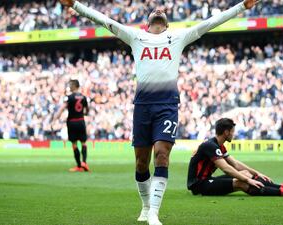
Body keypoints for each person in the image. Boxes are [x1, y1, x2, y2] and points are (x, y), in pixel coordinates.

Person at [58, 0, 260, 224]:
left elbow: (211, 22)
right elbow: (104, 20)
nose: (158, 11)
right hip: (143, 106)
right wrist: (75, 4)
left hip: (167, 106)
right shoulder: (135, 37)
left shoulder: (178, 37)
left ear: (166, 25)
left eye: (162, 11)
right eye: (155, 11)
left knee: (162, 156)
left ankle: (154, 212)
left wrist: (242, 6)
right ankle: (145, 206)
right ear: (147, 24)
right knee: (141, 163)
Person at [187, 118, 283, 197]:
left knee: (245, 173)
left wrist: (256, 174)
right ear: (226, 132)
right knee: (240, 182)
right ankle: (282, 192)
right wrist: (247, 180)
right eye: (232, 132)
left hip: (206, 180)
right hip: (199, 185)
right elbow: (225, 168)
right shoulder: (210, 146)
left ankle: (281, 187)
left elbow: (235, 164)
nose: (233, 134)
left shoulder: (218, 146)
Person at [53, 80, 90, 172]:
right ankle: (84, 162)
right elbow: (87, 111)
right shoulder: (84, 97)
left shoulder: (69, 97)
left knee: (74, 143)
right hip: (81, 121)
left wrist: (54, 120)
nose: (69, 87)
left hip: (72, 122)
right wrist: (82, 113)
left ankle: (78, 166)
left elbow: (61, 109)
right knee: (83, 142)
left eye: (70, 85)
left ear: (74, 86)